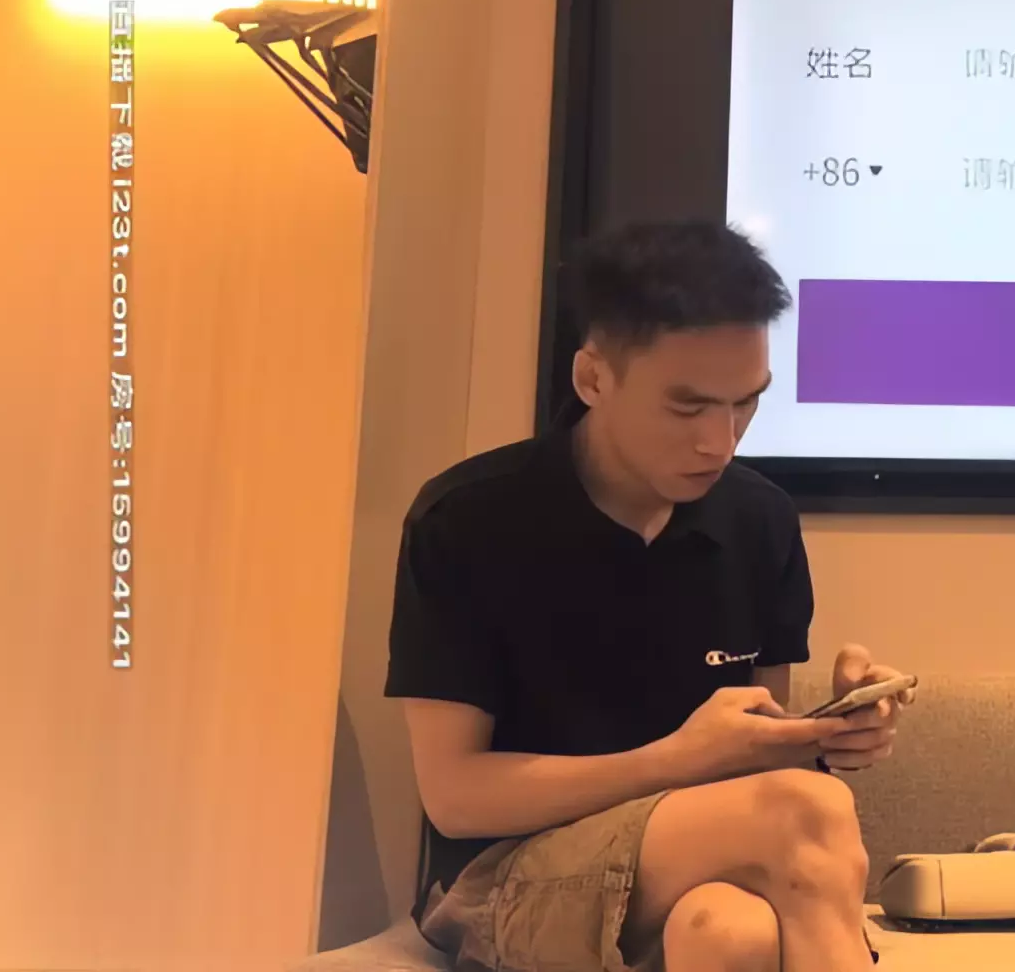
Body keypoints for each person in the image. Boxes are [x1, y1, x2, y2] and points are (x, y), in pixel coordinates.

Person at [386, 221, 907, 972]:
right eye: (688, 408)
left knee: (730, 933)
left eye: (746, 403)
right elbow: (456, 797)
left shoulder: (759, 519)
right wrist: (675, 759)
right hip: (498, 877)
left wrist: (827, 732)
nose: (721, 441)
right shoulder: (467, 520)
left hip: (685, 860)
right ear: (594, 379)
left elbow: (757, 767)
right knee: (808, 811)